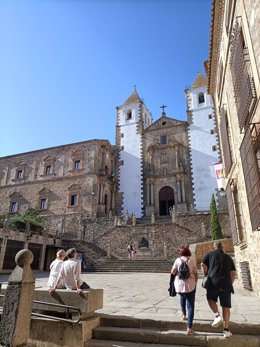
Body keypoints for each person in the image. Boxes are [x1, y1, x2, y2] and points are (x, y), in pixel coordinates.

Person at [201, 241, 236, 338]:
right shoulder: (228, 257)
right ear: (222, 247)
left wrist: (206, 275)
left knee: (210, 299)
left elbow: (203, 265)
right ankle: (226, 330)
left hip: (213, 282)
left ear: (214, 247)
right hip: (226, 284)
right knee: (226, 306)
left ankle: (217, 315)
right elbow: (233, 273)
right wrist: (230, 282)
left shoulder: (209, 254)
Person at [171, 246, 198, 335]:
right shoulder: (192, 260)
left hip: (179, 285)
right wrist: (195, 282)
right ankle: (189, 328)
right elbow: (195, 273)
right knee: (191, 306)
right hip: (190, 285)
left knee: (182, 297)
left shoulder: (177, 260)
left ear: (181, 253)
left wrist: (173, 280)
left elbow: (173, 272)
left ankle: (184, 314)